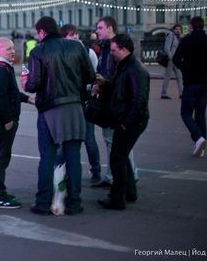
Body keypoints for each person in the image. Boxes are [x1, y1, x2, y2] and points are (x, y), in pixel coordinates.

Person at [25, 17, 95, 216]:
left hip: (49, 110)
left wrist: (27, 85)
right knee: (73, 157)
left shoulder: (38, 51)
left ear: (41, 33)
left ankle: (43, 203)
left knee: (47, 157)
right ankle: (74, 203)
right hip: (75, 108)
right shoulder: (77, 47)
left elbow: (33, 84)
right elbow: (90, 76)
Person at [97, 34, 150, 210]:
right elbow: (118, 87)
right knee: (122, 155)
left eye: (113, 50)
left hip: (131, 121)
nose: (111, 53)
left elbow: (139, 101)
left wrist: (125, 123)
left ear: (123, 49)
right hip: (127, 119)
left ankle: (117, 198)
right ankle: (129, 192)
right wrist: (104, 83)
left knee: (117, 158)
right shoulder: (125, 65)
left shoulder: (135, 69)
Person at [0, 37, 32, 208]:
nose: (13, 51)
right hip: (3, 122)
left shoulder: (1, 66)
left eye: (13, 48)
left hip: (2, 120)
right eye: (8, 49)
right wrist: (8, 120)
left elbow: (11, 92)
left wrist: (27, 99)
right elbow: (0, 96)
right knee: (0, 157)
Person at [93, 16, 138, 188]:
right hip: (107, 97)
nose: (97, 31)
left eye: (100, 28)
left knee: (117, 141)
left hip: (114, 100)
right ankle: (113, 175)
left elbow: (117, 75)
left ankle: (129, 175)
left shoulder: (116, 47)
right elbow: (103, 70)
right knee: (111, 140)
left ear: (110, 28)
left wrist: (104, 82)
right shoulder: (105, 48)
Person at [60, 24, 101, 185]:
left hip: (83, 100)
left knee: (88, 138)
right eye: (72, 35)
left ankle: (95, 170)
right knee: (68, 139)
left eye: (76, 34)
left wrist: (90, 88)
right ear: (64, 38)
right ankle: (65, 172)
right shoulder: (62, 53)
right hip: (70, 102)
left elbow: (95, 74)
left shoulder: (88, 52)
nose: (76, 37)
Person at [172, 16, 207, 157]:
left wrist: (185, 69)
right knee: (200, 114)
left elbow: (176, 59)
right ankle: (201, 147)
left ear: (192, 26)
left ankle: (198, 139)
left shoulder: (186, 40)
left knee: (186, 113)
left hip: (190, 83)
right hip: (206, 83)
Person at [161, 24, 183, 99]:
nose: (178, 30)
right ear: (173, 30)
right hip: (171, 60)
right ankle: (163, 94)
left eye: (179, 29)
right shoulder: (171, 36)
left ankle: (181, 94)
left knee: (180, 77)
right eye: (176, 29)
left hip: (177, 61)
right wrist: (171, 57)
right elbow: (166, 48)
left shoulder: (180, 37)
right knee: (167, 77)